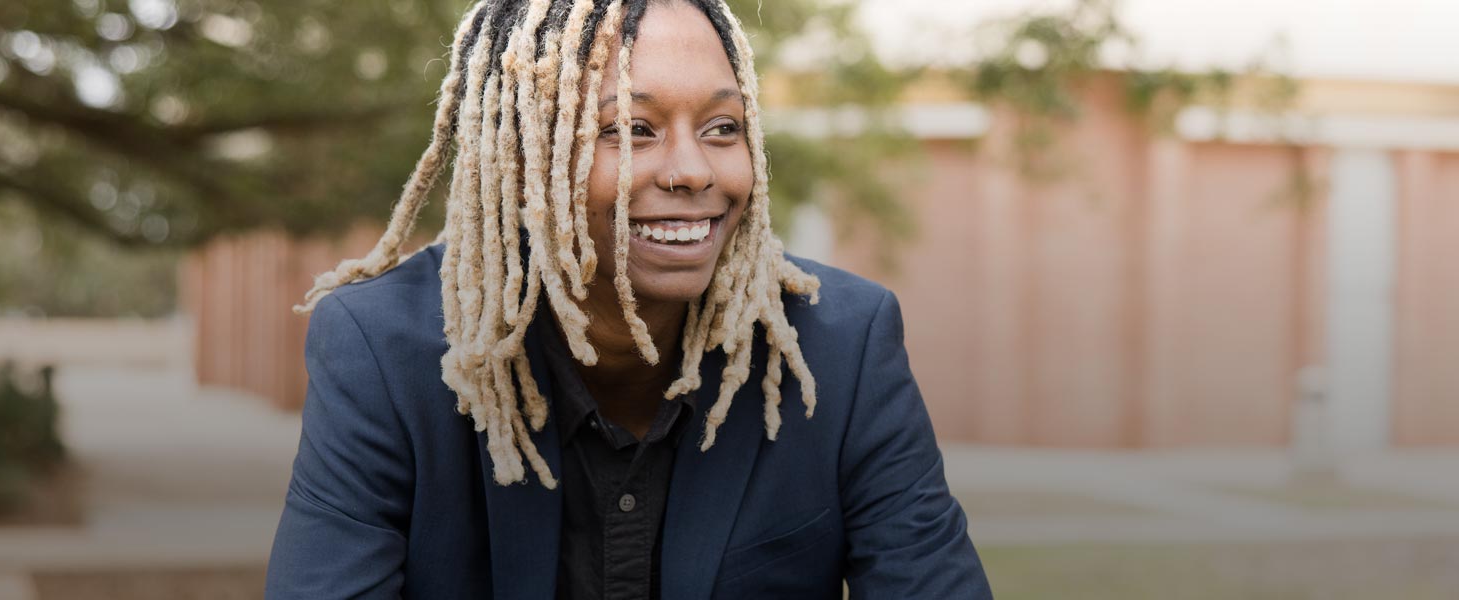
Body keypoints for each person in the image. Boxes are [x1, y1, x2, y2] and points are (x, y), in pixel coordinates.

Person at [263, 0, 991, 598]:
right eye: (630, 130)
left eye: (721, 129)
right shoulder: (381, 352)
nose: (690, 170)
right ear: (523, 160)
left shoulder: (841, 345)